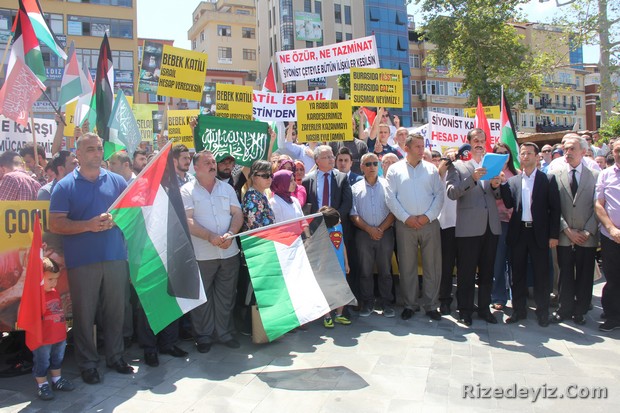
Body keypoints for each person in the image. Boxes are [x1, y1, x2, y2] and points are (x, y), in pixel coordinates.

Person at [49, 133, 133, 385]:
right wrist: (88, 225)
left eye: (99, 149)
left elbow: (131, 212)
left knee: (116, 310)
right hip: (83, 260)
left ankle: (116, 356)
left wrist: (116, 219)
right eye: (90, 149)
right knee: (84, 314)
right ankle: (87, 363)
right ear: (78, 154)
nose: (97, 153)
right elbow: (55, 223)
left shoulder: (117, 181)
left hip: (115, 256)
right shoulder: (64, 186)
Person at [181, 150, 243, 352]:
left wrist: (231, 233)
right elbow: (188, 220)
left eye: (213, 162)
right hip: (202, 255)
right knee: (203, 297)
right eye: (207, 162)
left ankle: (224, 333)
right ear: (196, 167)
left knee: (226, 295)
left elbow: (237, 213)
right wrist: (210, 236)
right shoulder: (187, 191)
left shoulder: (227, 188)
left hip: (228, 252)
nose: (212, 165)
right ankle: (204, 336)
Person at [446, 128, 502, 326]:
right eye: (475, 140)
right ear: (469, 142)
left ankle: (484, 308)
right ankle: (465, 310)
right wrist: (473, 179)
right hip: (468, 228)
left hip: (491, 227)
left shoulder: (492, 165)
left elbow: (496, 196)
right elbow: (452, 192)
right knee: (466, 272)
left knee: (487, 272)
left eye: (482, 140)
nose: (479, 143)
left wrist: (496, 186)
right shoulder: (458, 166)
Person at [500, 142, 560, 327]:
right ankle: (519, 310)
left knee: (541, 273)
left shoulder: (547, 179)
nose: (525, 156)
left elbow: (555, 209)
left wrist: (553, 235)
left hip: (539, 233)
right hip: (519, 232)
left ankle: (543, 312)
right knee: (517, 273)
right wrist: (503, 184)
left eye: (528, 153)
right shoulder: (513, 181)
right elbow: (508, 204)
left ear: (536, 156)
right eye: (522, 153)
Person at [386, 133, 444, 321]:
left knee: (432, 266)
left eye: (422, 146)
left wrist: (427, 217)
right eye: (417, 146)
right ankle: (409, 304)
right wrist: (406, 218)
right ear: (407, 148)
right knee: (407, 266)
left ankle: (431, 305)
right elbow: (390, 197)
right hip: (405, 225)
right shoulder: (394, 170)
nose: (421, 150)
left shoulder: (431, 169)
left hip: (429, 224)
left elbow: (439, 195)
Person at [550, 136, 599, 326]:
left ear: (583, 152)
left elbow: (599, 207)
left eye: (572, 149)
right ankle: (564, 308)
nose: (568, 152)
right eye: (565, 149)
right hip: (565, 235)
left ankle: (581, 310)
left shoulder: (595, 175)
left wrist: (588, 231)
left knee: (585, 275)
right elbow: (553, 206)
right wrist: (566, 229)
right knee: (565, 273)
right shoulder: (555, 174)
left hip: (587, 236)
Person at [351, 153, 396, 318]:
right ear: (361, 167)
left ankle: (387, 303)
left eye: (375, 164)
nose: (372, 167)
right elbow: (353, 214)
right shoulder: (355, 188)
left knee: (385, 271)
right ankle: (367, 302)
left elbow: (393, 211)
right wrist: (369, 229)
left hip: (385, 233)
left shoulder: (388, 185)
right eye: (368, 164)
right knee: (365, 271)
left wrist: (380, 229)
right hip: (363, 235)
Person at [30, 257, 75, 401]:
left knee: (57, 359)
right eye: (50, 279)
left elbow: (58, 309)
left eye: (56, 279)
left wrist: (64, 323)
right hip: (43, 338)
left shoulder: (54, 292)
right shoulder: (36, 296)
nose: (54, 283)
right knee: (42, 361)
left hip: (59, 336)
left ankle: (57, 380)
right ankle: (42, 385)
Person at [595, 140, 620, 332]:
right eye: (617, 150)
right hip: (611, 236)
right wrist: (611, 228)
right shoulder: (605, 174)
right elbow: (599, 204)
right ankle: (613, 316)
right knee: (612, 278)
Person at [491, 143, 519, 311]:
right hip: (497, 222)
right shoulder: (490, 174)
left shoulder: (517, 174)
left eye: (505, 153)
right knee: (498, 262)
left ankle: (517, 297)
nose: (502, 156)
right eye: (498, 153)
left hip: (515, 223)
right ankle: (498, 296)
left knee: (515, 262)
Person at [319, 206, 351, 328]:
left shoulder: (339, 227)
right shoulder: (322, 232)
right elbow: (321, 251)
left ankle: (339, 315)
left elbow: (342, 245)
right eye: (338, 219)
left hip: (340, 265)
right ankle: (327, 316)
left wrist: (346, 263)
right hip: (327, 266)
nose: (340, 221)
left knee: (341, 290)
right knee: (326, 291)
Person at [241, 160, 276, 231]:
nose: (269, 179)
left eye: (271, 175)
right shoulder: (252, 197)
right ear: (254, 177)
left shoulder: (261, 194)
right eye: (265, 176)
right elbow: (256, 228)